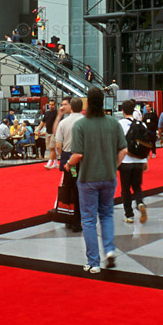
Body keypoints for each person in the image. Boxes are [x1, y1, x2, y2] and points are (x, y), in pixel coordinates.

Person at [66, 88, 127, 273]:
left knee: (89, 219)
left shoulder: (81, 125)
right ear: (103, 102)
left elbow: (78, 154)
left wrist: (68, 164)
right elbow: (123, 150)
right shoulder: (113, 123)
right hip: (109, 177)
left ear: (87, 103)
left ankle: (93, 262)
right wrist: (114, 166)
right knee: (107, 214)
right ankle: (109, 250)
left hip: (88, 178)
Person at [55, 97, 84, 230]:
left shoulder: (64, 122)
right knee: (82, 187)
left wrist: (63, 157)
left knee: (68, 186)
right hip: (82, 157)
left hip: (68, 156)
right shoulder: (85, 121)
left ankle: (69, 217)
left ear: (71, 107)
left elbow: (58, 143)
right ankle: (80, 218)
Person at [118, 99, 148, 224]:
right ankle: (140, 203)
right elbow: (146, 144)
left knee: (125, 188)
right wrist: (145, 160)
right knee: (137, 186)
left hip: (125, 161)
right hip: (139, 161)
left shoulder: (120, 124)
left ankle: (129, 214)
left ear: (123, 110)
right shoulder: (142, 125)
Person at [41, 100, 60, 169]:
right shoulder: (46, 113)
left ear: (55, 105)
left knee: (52, 147)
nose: (51, 106)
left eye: (52, 104)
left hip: (54, 133)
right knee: (50, 148)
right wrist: (38, 130)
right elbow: (42, 122)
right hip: (48, 132)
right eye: (50, 104)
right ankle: (55, 162)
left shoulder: (57, 113)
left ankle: (49, 162)